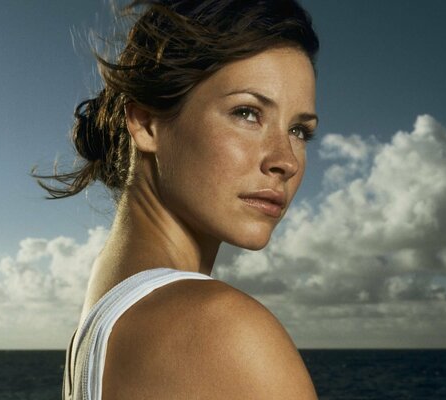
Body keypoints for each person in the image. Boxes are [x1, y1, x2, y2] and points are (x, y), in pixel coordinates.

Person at [34, 0, 319, 398]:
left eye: (300, 131)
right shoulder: (223, 329)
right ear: (146, 122)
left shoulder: (97, 326)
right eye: (247, 113)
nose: (285, 160)